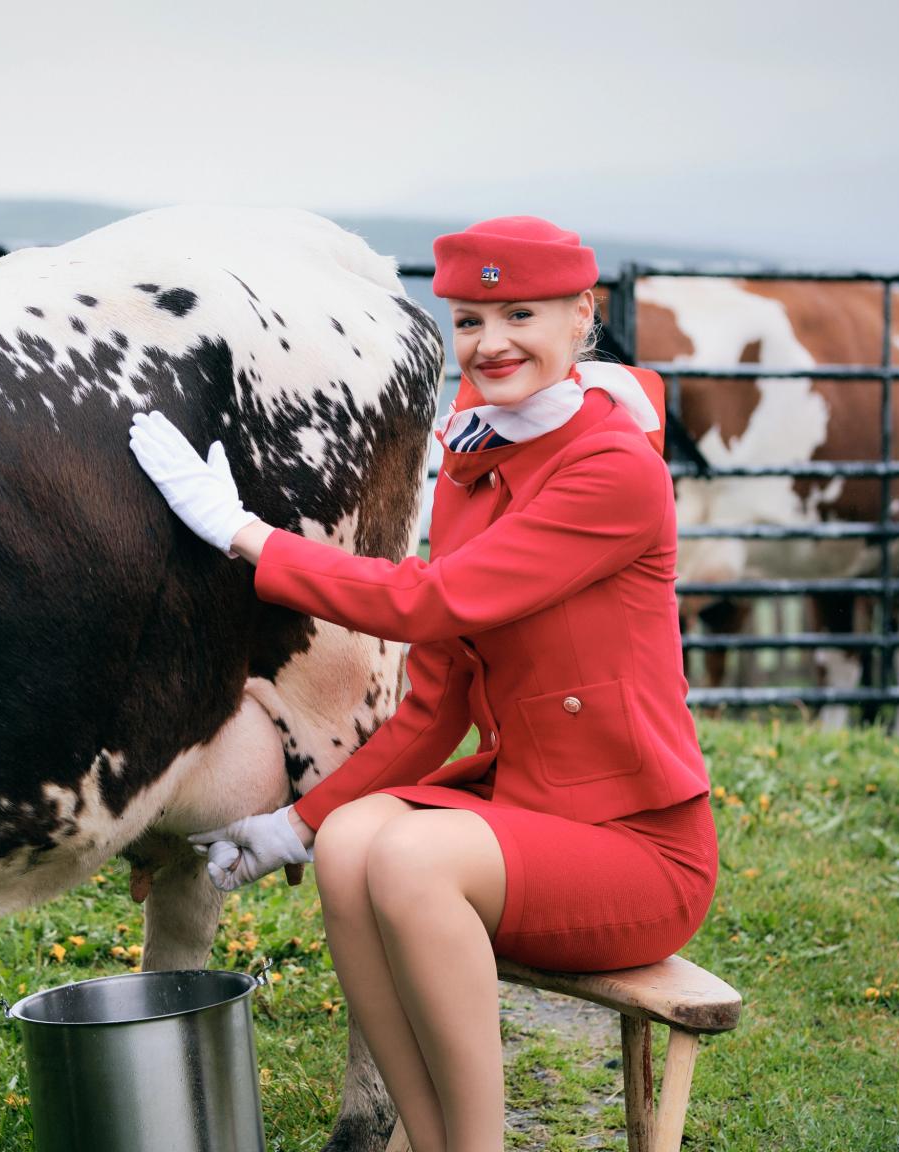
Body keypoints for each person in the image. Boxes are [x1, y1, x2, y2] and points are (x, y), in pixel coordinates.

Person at [127, 216, 716, 1152]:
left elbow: (434, 601)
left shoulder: (612, 466)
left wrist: (247, 536)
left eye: (520, 313)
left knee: (407, 857)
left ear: (582, 317)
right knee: (355, 838)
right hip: (528, 815)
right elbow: (437, 701)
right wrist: (293, 826)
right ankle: (432, 1138)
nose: (491, 343)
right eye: (472, 319)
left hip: (635, 848)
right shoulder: (476, 459)